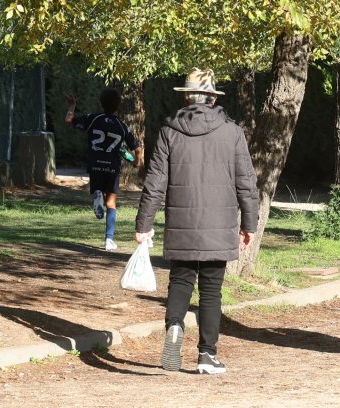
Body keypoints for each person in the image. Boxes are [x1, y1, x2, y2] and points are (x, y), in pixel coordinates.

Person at [135, 68, 259, 374]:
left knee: (180, 281)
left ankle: (175, 326)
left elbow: (154, 182)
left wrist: (143, 224)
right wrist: (250, 224)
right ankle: (207, 354)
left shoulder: (169, 132)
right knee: (211, 292)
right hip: (220, 225)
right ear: (213, 99)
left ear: (187, 98)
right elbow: (247, 183)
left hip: (181, 222)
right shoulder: (232, 132)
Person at [65, 89, 142, 251]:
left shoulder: (93, 118)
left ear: (100, 102)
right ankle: (109, 240)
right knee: (111, 203)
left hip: (95, 163)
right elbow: (138, 148)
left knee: (98, 189)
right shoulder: (122, 126)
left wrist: (72, 106)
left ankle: (96, 193)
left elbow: (69, 120)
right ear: (118, 106)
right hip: (112, 167)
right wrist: (136, 162)